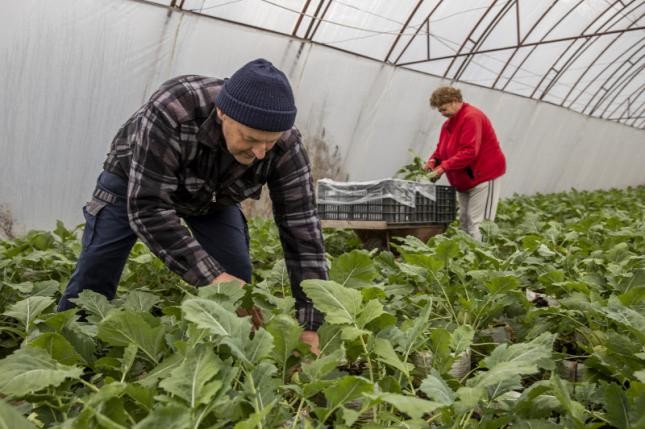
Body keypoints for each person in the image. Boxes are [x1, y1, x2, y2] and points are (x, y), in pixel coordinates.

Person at [57, 58, 326, 354]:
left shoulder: (286, 145)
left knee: (236, 278)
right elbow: (149, 209)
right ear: (223, 113)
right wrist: (212, 278)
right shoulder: (173, 110)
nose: (261, 152)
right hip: (135, 181)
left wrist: (310, 324)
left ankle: (230, 356)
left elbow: (302, 230)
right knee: (97, 268)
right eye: (250, 139)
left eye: (270, 142)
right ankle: (70, 350)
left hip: (214, 197)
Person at [424, 86, 506, 241]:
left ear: (454, 101)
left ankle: (482, 260)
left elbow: (469, 151)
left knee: (479, 223)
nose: (442, 114)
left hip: (483, 176)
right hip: (464, 181)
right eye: (440, 111)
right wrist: (433, 161)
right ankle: (466, 260)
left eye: (443, 109)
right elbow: (441, 150)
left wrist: (444, 167)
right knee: (464, 222)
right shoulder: (448, 124)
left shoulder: (471, 117)